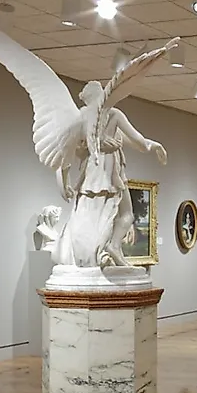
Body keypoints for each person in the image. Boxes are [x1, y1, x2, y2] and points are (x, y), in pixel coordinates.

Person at [52, 81, 167, 267]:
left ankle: (101, 252)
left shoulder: (81, 118)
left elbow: (65, 153)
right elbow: (139, 141)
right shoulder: (113, 114)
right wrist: (155, 146)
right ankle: (111, 247)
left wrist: (64, 182)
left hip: (90, 174)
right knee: (125, 214)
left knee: (90, 215)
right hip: (108, 174)